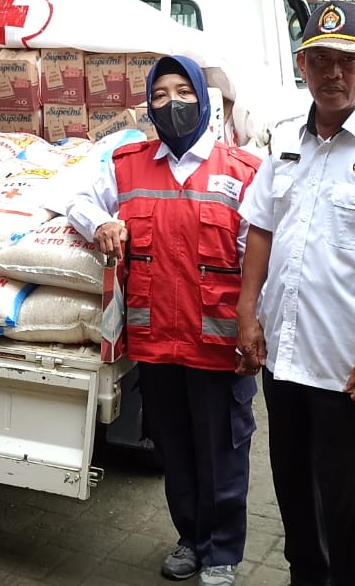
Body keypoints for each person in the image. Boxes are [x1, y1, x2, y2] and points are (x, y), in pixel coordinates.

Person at [69, 55, 263, 586]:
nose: (172, 103)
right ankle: (190, 538)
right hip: (155, 343)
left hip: (218, 346)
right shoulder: (127, 163)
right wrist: (102, 221)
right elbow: (76, 198)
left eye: (183, 91)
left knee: (222, 451)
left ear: (205, 100)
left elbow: (261, 261)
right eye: (159, 95)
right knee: (174, 452)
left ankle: (222, 551)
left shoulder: (243, 171)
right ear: (147, 106)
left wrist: (255, 329)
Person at [236, 1, 355, 586]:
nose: (333, 74)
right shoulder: (287, 138)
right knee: (296, 504)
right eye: (318, 60)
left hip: (349, 371)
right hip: (284, 364)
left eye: (348, 60)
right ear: (300, 66)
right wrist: (246, 312)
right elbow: (261, 226)